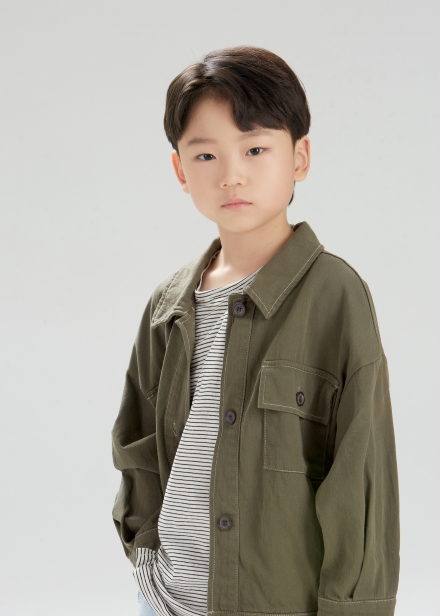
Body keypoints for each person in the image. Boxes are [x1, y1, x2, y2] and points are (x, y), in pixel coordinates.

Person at [111, 45, 400, 616]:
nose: (231, 174)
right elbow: (137, 445)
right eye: (206, 155)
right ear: (180, 170)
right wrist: (144, 551)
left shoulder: (334, 296)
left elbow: (361, 475)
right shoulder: (168, 306)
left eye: (255, 148)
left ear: (299, 158)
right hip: (165, 597)